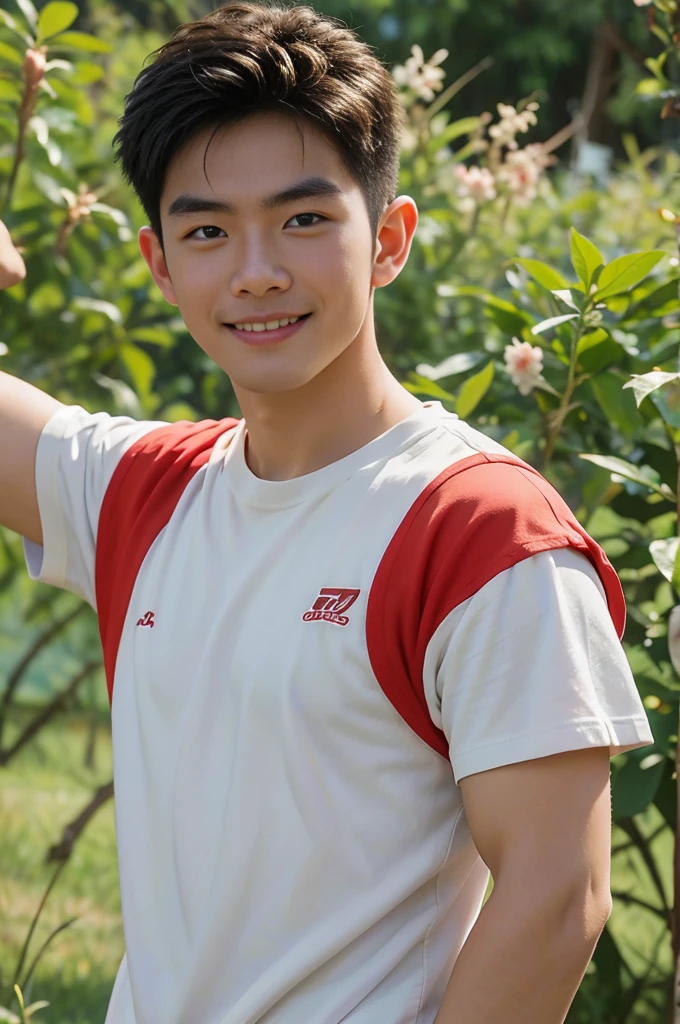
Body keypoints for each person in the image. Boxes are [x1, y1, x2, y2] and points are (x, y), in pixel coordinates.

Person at [0, 3, 655, 1023]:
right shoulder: (142, 492)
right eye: (208, 231)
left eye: (303, 219)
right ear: (159, 265)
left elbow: (555, 897)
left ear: (388, 238)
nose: (256, 269)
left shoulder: (479, 530)